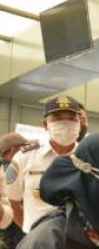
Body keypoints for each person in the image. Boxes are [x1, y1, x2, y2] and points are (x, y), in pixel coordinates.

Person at [6, 95, 80, 234]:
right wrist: (31, 232)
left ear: (79, 123)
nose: (66, 123)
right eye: (58, 118)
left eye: (72, 118)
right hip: (37, 246)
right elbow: (13, 201)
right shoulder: (25, 157)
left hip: (79, 246)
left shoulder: (89, 157)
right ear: (45, 124)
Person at [0, 134, 31, 249]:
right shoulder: (12, 171)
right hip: (16, 236)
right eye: (24, 148)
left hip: (7, 236)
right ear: (13, 151)